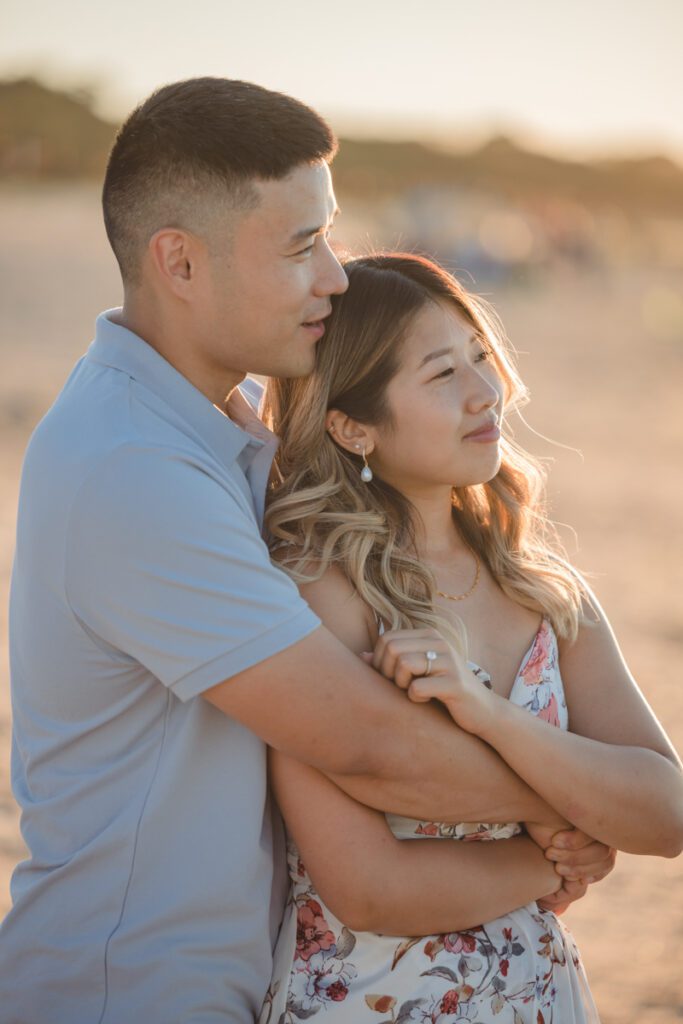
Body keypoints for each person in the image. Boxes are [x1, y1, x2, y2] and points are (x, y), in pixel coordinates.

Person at [0, 79, 613, 1024]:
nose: (334, 274)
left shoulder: (214, 426)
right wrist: (575, 811)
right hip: (130, 985)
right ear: (180, 263)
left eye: (329, 236)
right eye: (300, 247)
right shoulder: (132, 466)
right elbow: (361, 742)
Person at [260, 253, 683, 1023]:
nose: (485, 393)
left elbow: (663, 812)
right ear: (353, 425)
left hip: (542, 998)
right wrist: (547, 854)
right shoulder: (321, 590)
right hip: (373, 1005)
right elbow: (367, 887)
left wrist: (490, 715)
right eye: (440, 375)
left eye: (479, 358)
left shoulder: (544, 589)